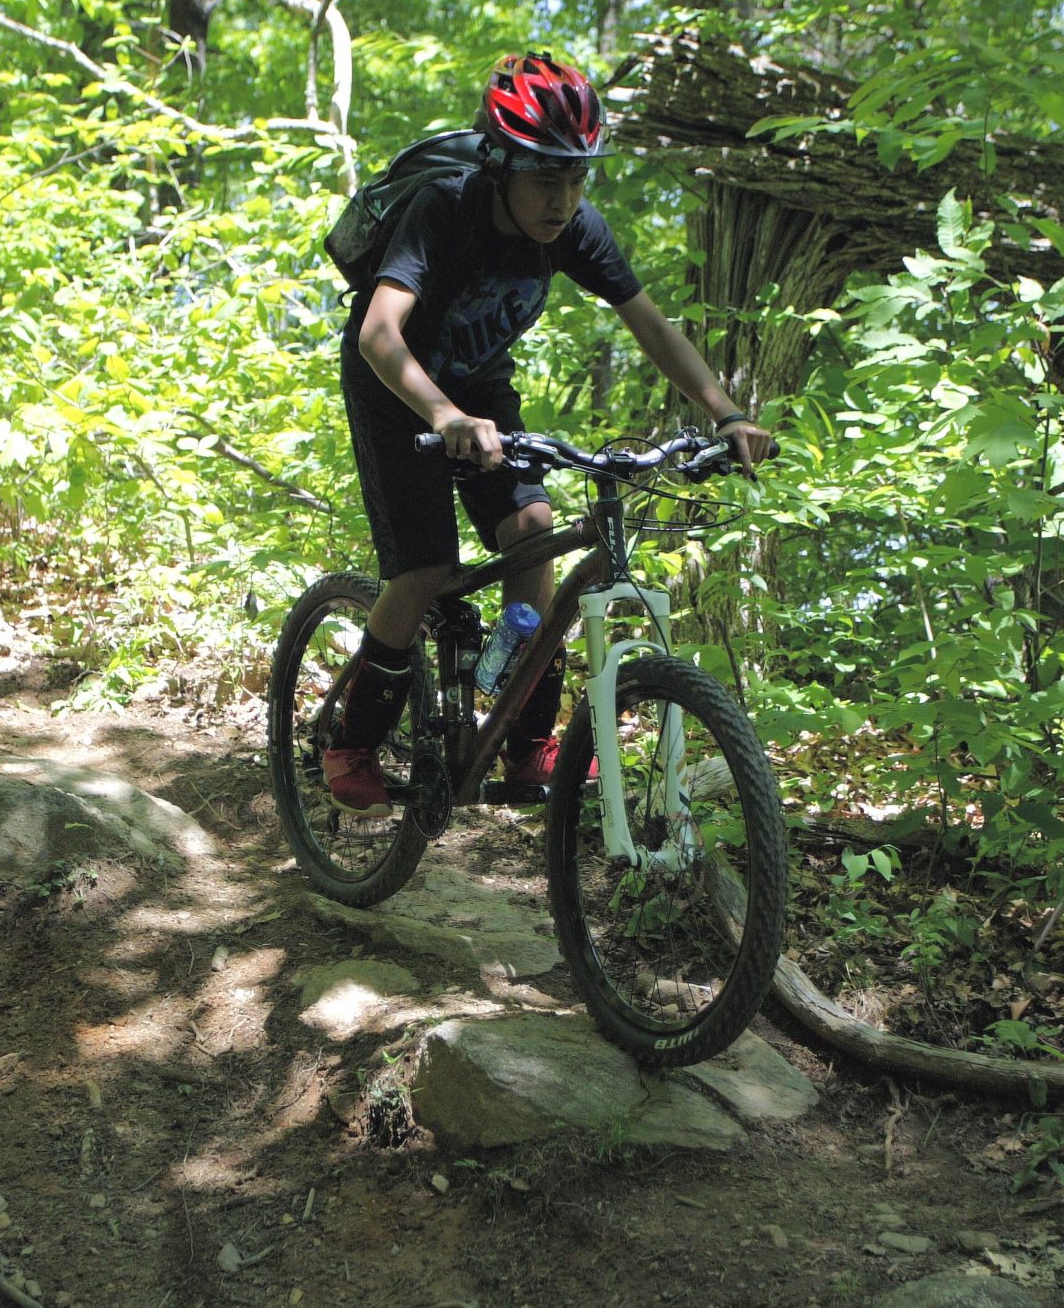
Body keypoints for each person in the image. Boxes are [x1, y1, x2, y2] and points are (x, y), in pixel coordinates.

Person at [322, 52, 773, 817]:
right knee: (427, 567)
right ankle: (353, 738)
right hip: (397, 387)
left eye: (576, 179)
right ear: (499, 165)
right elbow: (379, 331)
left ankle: (523, 728)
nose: (562, 199)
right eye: (544, 178)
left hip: (478, 384)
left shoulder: (574, 231)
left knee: (533, 527)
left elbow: (652, 327)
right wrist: (442, 414)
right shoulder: (444, 208)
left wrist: (725, 412)